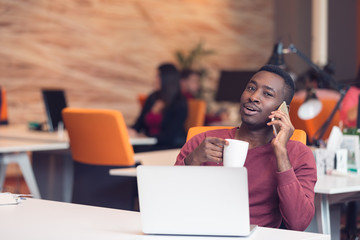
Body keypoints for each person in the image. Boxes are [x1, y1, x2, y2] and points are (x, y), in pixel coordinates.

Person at [175, 64, 317, 231]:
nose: (254, 96)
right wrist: (193, 160)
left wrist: (281, 153)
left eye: (267, 94)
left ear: (283, 110)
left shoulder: (298, 154)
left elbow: (298, 223)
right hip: (201, 232)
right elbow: (170, 202)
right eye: (251, 88)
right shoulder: (203, 142)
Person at [129, 63, 188, 151]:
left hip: (169, 146)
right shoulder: (152, 98)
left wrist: (146, 137)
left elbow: (171, 135)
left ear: (167, 79)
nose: (154, 80)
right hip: (149, 143)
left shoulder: (180, 102)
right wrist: (130, 130)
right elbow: (139, 123)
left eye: (157, 76)